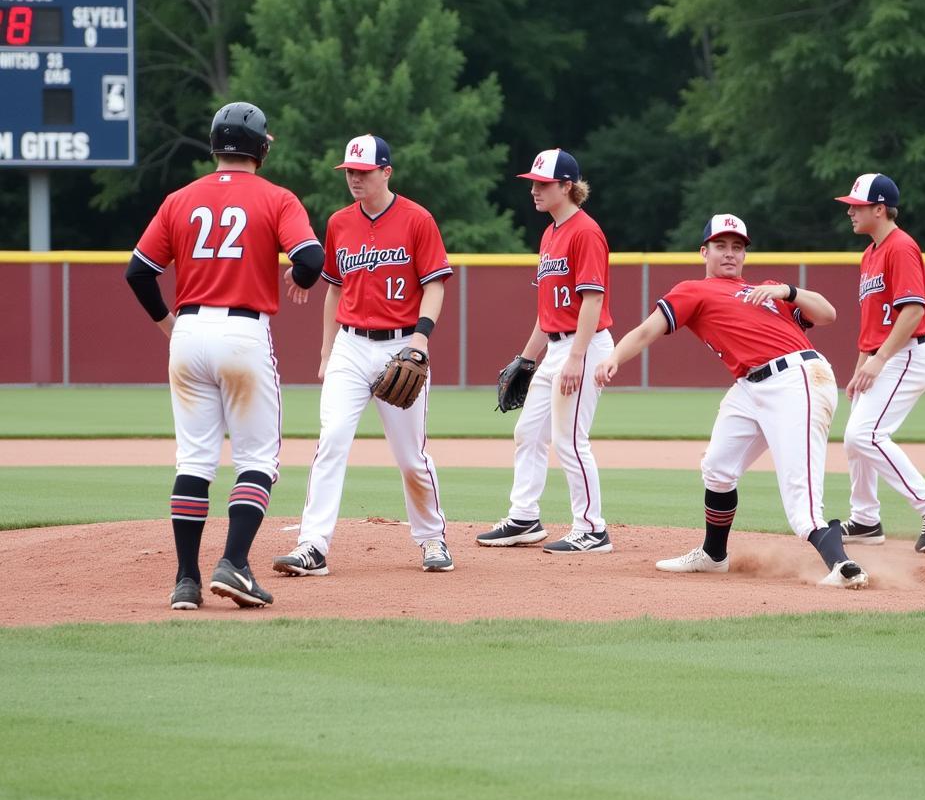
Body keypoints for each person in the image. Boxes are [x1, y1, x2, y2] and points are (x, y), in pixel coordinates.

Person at [595, 213, 868, 589]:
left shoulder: (768, 290)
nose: (729, 254)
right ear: (703, 251)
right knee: (718, 469)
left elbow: (828, 314)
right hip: (749, 387)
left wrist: (787, 291)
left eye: (737, 247)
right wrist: (612, 358)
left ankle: (842, 565)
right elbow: (646, 331)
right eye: (721, 246)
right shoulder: (693, 290)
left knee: (801, 504)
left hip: (797, 379)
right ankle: (713, 555)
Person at [125, 102, 324, 610]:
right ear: (261, 147)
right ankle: (234, 563)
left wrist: (169, 325)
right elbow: (311, 258)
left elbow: (139, 272)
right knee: (257, 459)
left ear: (215, 145)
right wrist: (301, 279)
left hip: (189, 331)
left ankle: (186, 580)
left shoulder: (180, 199)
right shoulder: (276, 197)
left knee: (194, 459)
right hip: (243, 333)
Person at [273, 133, 455, 576]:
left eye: (363, 171)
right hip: (350, 347)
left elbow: (434, 284)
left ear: (385, 172)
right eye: (350, 171)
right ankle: (312, 545)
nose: (354, 178)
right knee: (331, 441)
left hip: (401, 345)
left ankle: (432, 538)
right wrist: (326, 350)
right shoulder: (339, 222)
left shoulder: (417, 219)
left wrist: (421, 339)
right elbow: (334, 290)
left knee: (411, 456)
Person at [477, 148, 615, 553]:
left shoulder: (585, 232)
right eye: (533, 183)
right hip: (556, 347)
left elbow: (591, 301)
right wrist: (526, 357)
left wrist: (576, 359)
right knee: (528, 432)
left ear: (566, 186)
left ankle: (592, 529)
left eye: (542, 183)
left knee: (570, 439)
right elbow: (547, 311)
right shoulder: (551, 233)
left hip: (583, 346)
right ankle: (524, 518)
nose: (534, 190)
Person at [835, 173, 925, 552]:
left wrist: (880, 360)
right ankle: (864, 520)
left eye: (857, 207)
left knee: (866, 435)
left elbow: (912, 312)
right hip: (883, 356)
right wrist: (863, 364)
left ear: (879, 208)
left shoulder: (900, 246)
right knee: (854, 440)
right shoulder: (870, 253)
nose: (851, 213)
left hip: (907, 354)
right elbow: (872, 320)